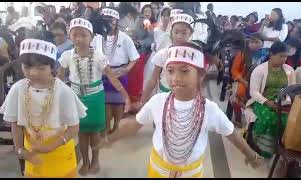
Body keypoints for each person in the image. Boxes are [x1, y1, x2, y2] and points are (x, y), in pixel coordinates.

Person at [96, 42, 264, 178]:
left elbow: (232, 134)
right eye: (170, 71)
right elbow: (135, 124)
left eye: (184, 71)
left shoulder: (209, 109)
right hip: (157, 171)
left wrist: (251, 155)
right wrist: (110, 138)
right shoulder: (158, 101)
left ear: (200, 75)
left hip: (191, 174)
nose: (175, 78)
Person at [0, 35, 87, 178]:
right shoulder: (18, 89)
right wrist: (21, 150)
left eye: (41, 68)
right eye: (27, 67)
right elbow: (15, 124)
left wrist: (50, 147)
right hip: (32, 155)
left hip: (60, 154)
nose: (33, 73)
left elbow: (73, 128)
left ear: (52, 67)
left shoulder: (63, 92)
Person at [57, 17, 131, 176]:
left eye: (84, 35)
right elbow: (59, 79)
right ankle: (85, 160)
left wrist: (125, 96)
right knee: (82, 132)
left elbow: (111, 77)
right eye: (75, 35)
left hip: (96, 98)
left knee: (95, 131)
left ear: (91, 37)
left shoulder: (98, 56)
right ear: (70, 36)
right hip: (76, 98)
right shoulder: (66, 56)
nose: (79, 39)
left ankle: (96, 159)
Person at [91, 8, 139, 135]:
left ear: (116, 21)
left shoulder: (124, 38)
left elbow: (134, 58)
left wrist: (126, 70)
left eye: (111, 20)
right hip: (102, 75)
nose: (108, 23)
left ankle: (117, 127)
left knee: (118, 105)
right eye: (105, 20)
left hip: (119, 74)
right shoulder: (97, 38)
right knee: (105, 105)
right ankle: (106, 127)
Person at [245, 41, 296, 159]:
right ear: (272, 54)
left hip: (283, 101)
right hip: (262, 101)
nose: (284, 59)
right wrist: (268, 103)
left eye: (286, 56)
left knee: (290, 120)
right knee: (271, 119)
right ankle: (262, 148)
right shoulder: (260, 70)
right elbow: (254, 92)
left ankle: (282, 149)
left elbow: (292, 88)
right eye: (281, 56)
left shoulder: (289, 70)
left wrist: (288, 101)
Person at [141, 13, 194, 105]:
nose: (179, 36)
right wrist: (143, 100)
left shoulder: (194, 56)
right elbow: (153, 79)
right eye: (176, 32)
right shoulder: (163, 54)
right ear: (171, 32)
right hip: (163, 97)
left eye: (184, 33)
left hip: (184, 100)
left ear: (191, 34)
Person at [231, 33, 264, 127]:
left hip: (260, 81)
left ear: (262, 43)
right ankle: (238, 118)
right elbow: (234, 70)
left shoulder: (266, 55)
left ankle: (255, 119)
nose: (253, 44)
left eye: (256, 42)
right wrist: (243, 81)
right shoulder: (242, 54)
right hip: (243, 79)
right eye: (251, 42)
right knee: (239, 94)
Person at [143, 7, 171, 90]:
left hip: (167, 58)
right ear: (161, 17)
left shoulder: (172, 31)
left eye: (168, 15)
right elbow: (153, 42)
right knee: (150, 78)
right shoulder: (156, 31)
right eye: (163, 15)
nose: (165, 18)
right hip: (155, 56)